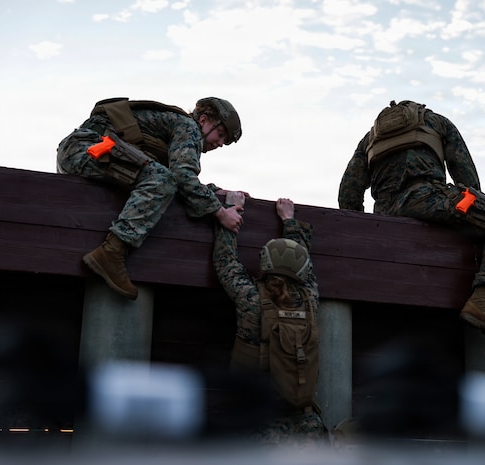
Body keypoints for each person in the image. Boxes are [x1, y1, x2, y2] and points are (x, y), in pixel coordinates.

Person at [338, 100, 485, 341]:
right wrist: (469, 212)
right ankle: (482, 301)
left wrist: (370, 233)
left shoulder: (369, 138)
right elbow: (467, 179)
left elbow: (348, 194)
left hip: (384, 214)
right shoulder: (436, 122)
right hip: (427, 199)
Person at [56, 97, 245, 300]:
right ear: (204, 120)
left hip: (87, 151)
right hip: (89, 149)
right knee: (162, 180)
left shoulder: (178, 129)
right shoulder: (188, 126)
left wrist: (214, 192)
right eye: (220, 134)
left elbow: (178, 175)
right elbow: (181, 176)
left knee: (162, 177)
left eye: (224, 141)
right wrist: (220, 212)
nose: (219, 143)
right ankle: (111, 253)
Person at [212, 193, 327, 448]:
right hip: (307, 427)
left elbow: (225, 262)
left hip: (259, 427)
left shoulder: (251, 299)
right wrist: (289, 220)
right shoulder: (310, 299)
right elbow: (304, 264)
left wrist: (233, 209)